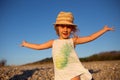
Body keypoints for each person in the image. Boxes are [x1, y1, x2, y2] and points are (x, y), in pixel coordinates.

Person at [21, 11, 114, 80]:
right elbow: (39, 46)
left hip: (73, 69)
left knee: (75, 78)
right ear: (57, 28)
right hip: (61, 73)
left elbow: (90, 37)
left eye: (68, 26)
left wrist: (104, 30)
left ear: (72, 29)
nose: (65, 29)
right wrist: (26, 44)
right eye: (62, 26)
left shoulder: (73, 41)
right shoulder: (53, 42)